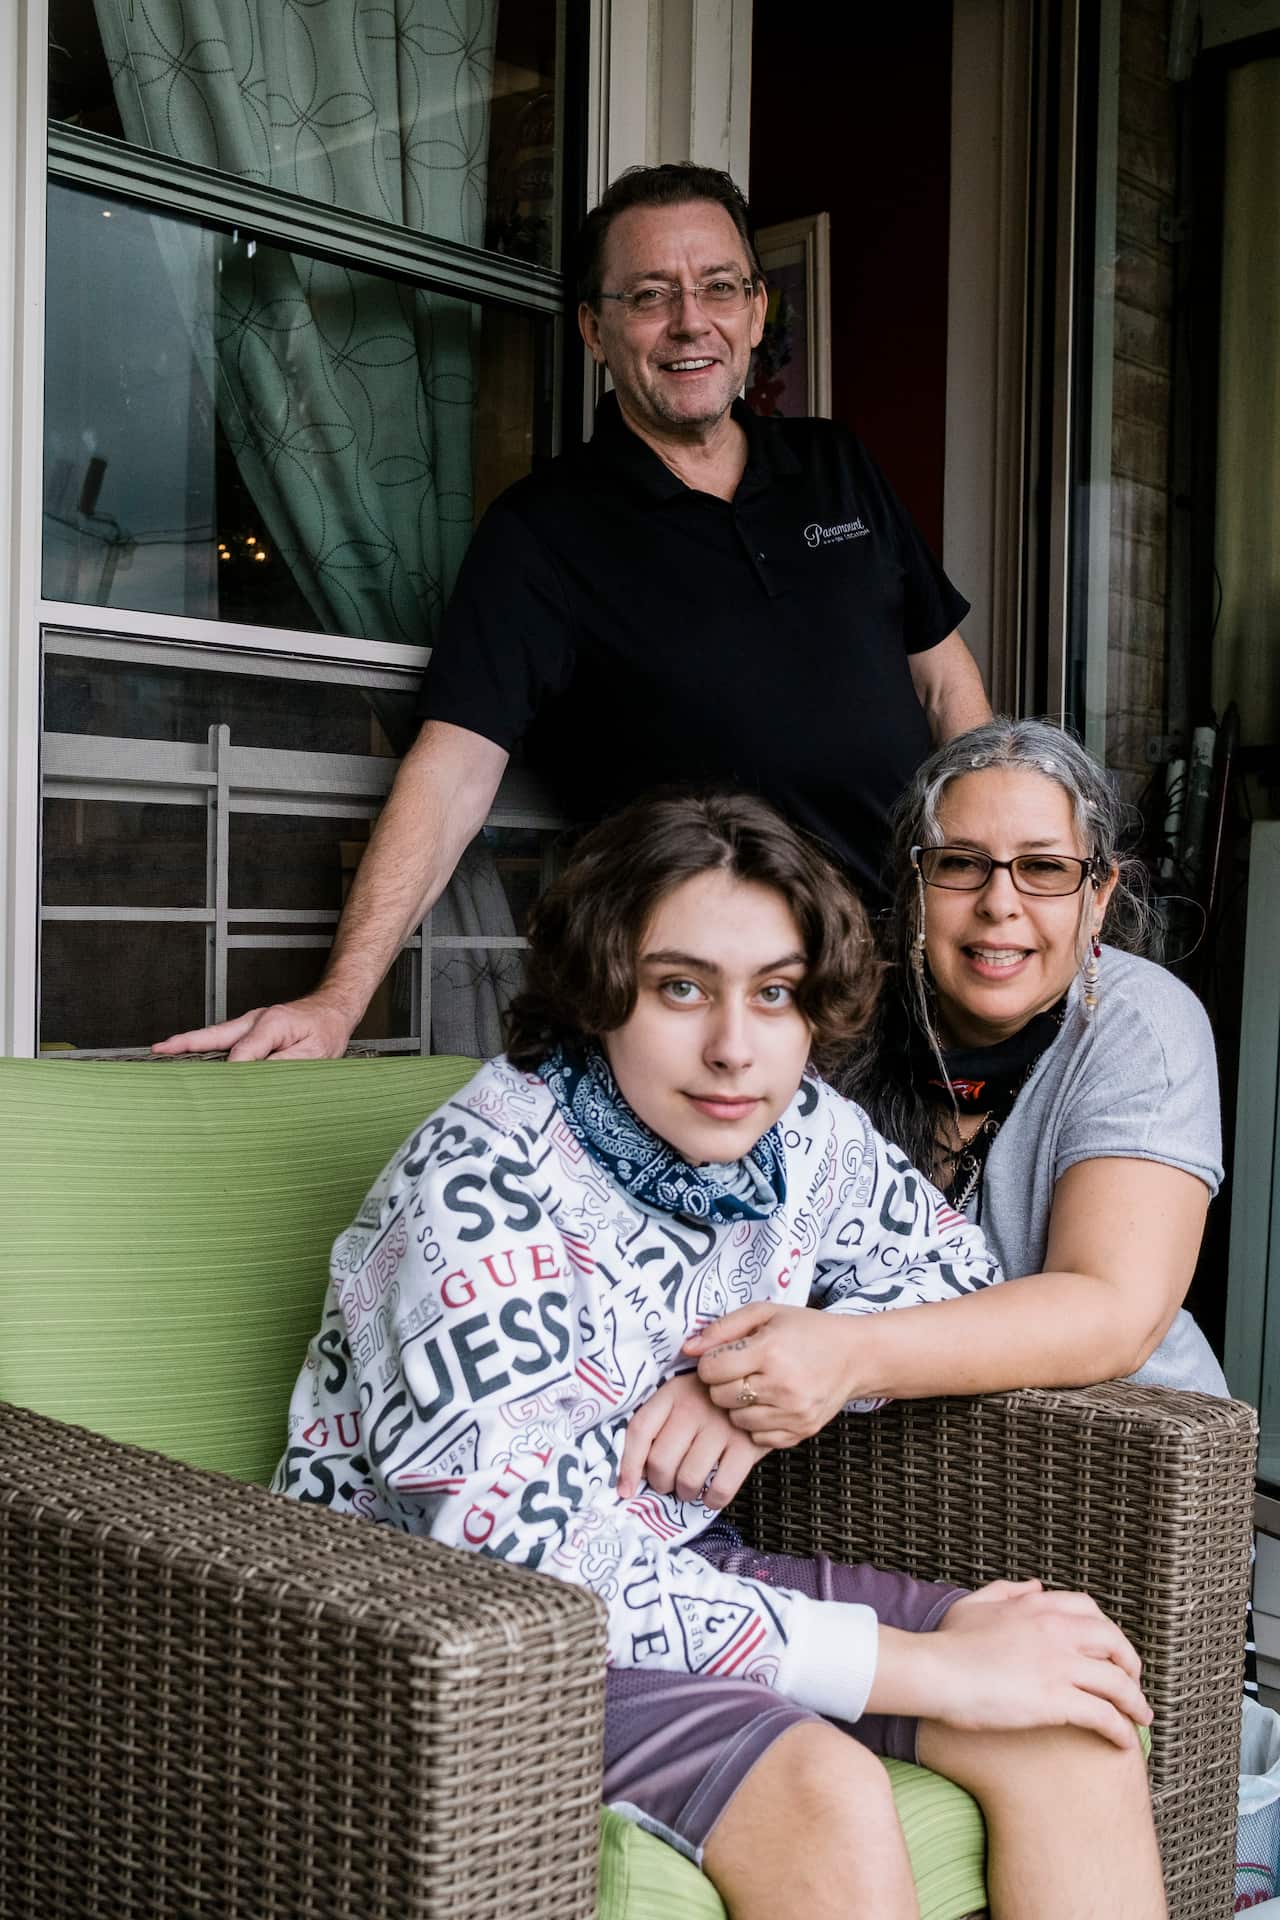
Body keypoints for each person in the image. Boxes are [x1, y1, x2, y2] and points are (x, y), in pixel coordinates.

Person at [273, 790, 1165, 1920]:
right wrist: (927, 1667)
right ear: (602, 991)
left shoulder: (799, 1137)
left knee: (1067, 1718)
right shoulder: (480, 1183)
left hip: (670, 1569)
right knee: (821, 1793)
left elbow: (956, 1283)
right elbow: (519, 1555)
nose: (735, 1049)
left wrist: (789, 1370)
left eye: (776, 994)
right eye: (680, 988)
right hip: (442, 1630)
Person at [155, 161, 989, 1064]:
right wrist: (339, 998)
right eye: (650, 296)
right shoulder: (543, 532)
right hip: (730, 1016)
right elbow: (452, 775)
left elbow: (950, 693)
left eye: (718, 287)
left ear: (755, 311)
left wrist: (993, 889)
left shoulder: (839, 465)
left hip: (922, 965)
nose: (690, 322)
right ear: (596, 329)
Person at [638, 720, 1225, 1495]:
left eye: (1044, 869)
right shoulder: (832, 1011)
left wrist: (842, 1355)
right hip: (880, 1480)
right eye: (961, 865)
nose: (999, 905)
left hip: (1115, 1474)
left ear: (1099, 895)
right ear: (913, 884)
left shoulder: (1141, 1023)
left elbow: (1111, 1308)